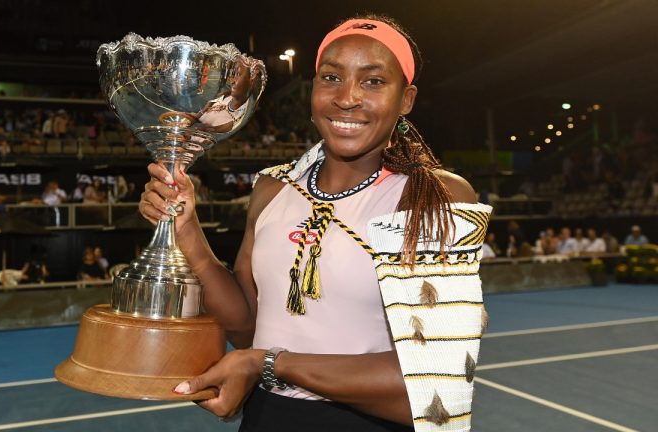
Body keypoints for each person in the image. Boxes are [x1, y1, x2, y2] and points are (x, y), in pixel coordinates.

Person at [139, 14, 491, 431]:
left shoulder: (434, 197)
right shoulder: (273, 187)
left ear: (406, 99)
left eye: (374, 81)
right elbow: (249, 328)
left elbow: (435, 385)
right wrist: (190, 238)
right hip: (268, 416)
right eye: (331, 77)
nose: (347, 98)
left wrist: (269, 364)